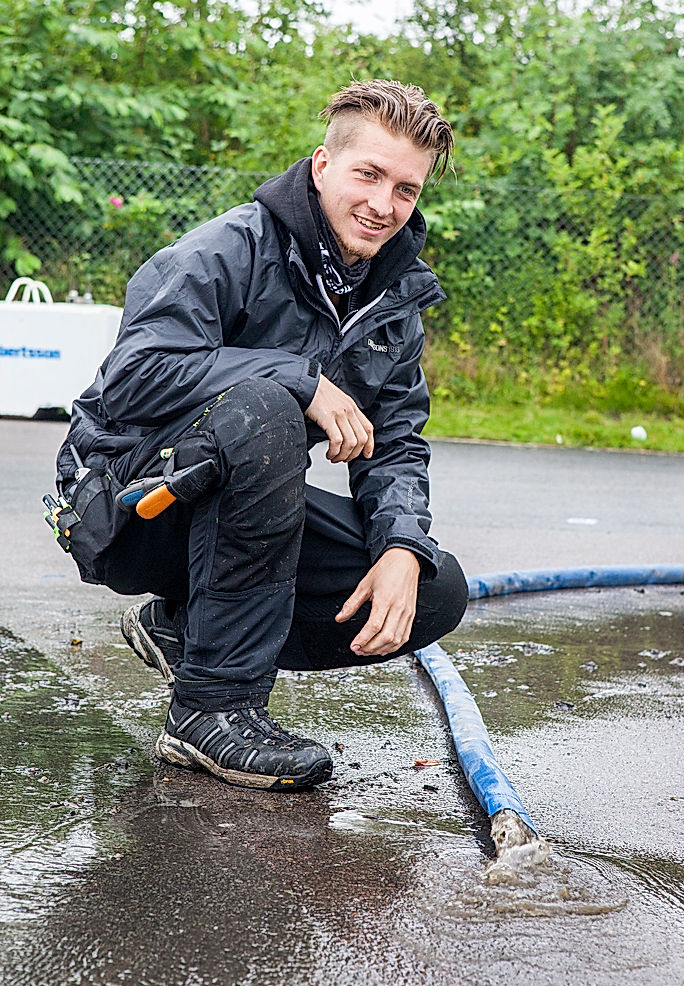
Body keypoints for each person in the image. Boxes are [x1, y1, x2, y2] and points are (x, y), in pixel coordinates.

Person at [53, 79, 469, 792]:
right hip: (126, 503)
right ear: (322, 165)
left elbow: (395, 443)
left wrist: (402, 545)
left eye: (405, 188)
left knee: (433, 591)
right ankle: (211, 708)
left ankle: (185, 630)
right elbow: (131, 376)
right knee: (268, 410)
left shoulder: (394, 302)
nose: (382, 204)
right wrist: (299, 378)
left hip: (235, 504)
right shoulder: (232, 246)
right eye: (368, 174)